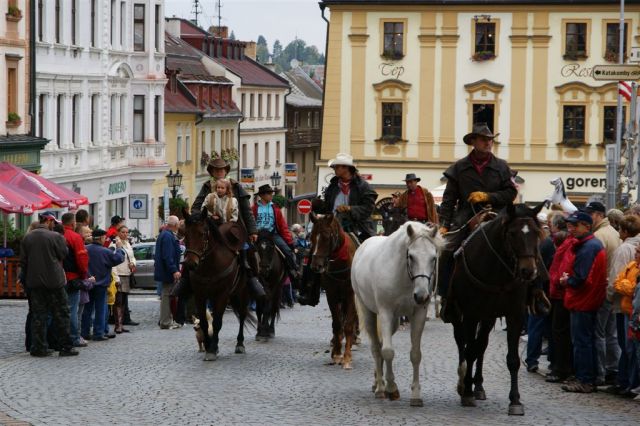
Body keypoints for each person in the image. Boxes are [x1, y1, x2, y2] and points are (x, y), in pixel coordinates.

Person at [437, 123, 518, 322]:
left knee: (524, 246)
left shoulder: (501, 166)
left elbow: (511, 192)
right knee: (447, 251)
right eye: (484, 139)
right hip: (466, 215)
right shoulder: (458, 168)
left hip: (497, 214)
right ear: (473, 142)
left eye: (490, 140)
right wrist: (445, 224)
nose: (488, 143)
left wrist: (488, 196)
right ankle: (447, 297)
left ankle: (531, 296)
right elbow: (448, 200)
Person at [303, 153, 378, 306]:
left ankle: (375, 288)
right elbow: (329, 208)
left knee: (373, 254)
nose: (335, 169)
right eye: (335, 167)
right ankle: (310, 291)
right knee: (314, 252)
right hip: (334, 225)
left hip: (357, 226)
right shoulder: (332, 186)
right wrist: (318, 205)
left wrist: (350, 209)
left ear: (347, 168)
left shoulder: (363, 186)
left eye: (338, 166)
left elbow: (368, 208)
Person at [560, 211, 607, 394]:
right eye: (570, 225)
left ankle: (585, 379)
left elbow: (580, 278)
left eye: (575, 225)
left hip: (583, 301)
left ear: (586, 226)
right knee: (585, 341)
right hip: (587, 300)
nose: (571, 229)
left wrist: (566, 281)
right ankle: (587, 377)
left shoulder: (588, 247)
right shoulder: (590, 245)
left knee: (582, 342)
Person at [20, 212, 78, 357]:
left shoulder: (28, 237)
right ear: (48, 221)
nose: (54, 224)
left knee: (38, 315)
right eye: (53, 222)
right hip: (54, 281)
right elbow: (63, 253)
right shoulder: (55, 237)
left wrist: (26, 281)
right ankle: (65, 346)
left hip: (34, 281)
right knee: (62, 313)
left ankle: (39, 347)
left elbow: (24, 261)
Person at [586, 201, 622, 386]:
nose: (589, 217)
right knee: (611, 333)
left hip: (603, 288)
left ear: (599, 215)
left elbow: (595, 266)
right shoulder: (615, 233)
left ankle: (601, 372)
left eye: (591, 214)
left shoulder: (599, 235)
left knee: (599, 333)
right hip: (613, 287)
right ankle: (613, 369)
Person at [607, 215, 640, 396]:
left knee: (627, 346)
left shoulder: (624, 249)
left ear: (625, 231)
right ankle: (626, 381)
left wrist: (611, 294)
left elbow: (618, 281)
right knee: (629, 346)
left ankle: (627, 382)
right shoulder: (633, 251)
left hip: (626, 307)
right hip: (629, 305)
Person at [82, 229, 125, 341]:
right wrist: (119, 248)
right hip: (101, 284)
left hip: (88, 283)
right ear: (101, 238)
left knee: (87, 309)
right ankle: (99, 332)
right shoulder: (105, 252)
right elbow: (118, 259)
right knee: (101, 309)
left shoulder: (85, 249)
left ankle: (85, 332)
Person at [252, 184, 299, 281]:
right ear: (262, 195)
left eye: (271, 193)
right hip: (258, 235)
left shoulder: (276, 209)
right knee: (244, 252)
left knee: (287, 251)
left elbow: (283, 226)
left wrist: (290, 243)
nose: (271, 195)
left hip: (272, 235)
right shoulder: (254, 208)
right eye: (269, 193)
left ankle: (293, 272)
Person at [60, 212, 89, 348]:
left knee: (57, 309)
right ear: (73, 223)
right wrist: (83, 276)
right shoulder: (75, 237)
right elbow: (81, 259)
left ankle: (57, 338)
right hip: (72, 277)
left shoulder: (56, 235)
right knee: (72, 309)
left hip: (57, 277)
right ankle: (73, 337)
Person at [154, 215, 182, 329]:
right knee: (166, 295)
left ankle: (166, 320)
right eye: (178, 225)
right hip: (167, 271)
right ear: (175, 225)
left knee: (167, 295)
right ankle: (165, 321)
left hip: (166, 270)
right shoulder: (167, 236)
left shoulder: (166, 234)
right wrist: (174, 270)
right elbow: (168, 255)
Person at [111, 226, 136, 334]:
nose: (125, 234)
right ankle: (118, 325)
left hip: (127, 274)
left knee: (124, 301)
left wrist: (133, 263)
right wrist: (116, 278)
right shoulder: (114, 244)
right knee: (118, 301)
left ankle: (122, 323)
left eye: (127, 232)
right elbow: (112, 263)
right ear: (118, 232)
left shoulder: (127, 244)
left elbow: (133, 257)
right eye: (123, 232)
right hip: (119, 274)